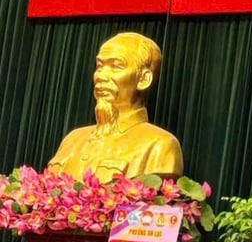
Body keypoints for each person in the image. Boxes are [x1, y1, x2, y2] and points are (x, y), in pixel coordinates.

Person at [48, 32, 183, 182]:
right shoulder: (73, 139)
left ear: (143, 79)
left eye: (116, 66)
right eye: (99, 66)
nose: (100, 76)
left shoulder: (160, 145)